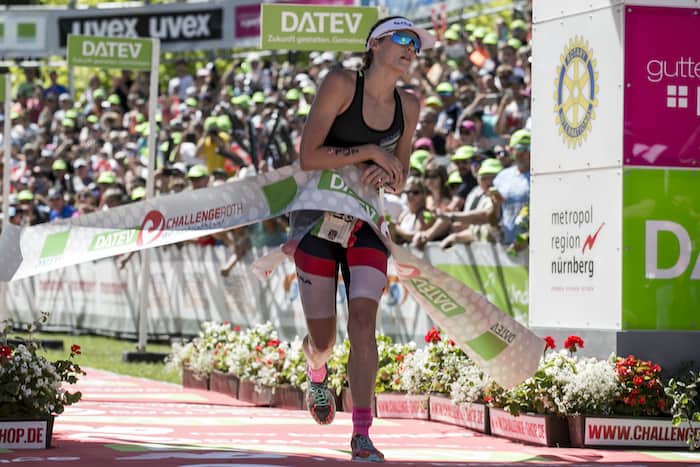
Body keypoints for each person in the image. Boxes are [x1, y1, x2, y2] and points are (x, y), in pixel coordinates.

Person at [293, 15, 433, 462]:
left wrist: (388, 172)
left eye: (417, 43)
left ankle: (361, 433)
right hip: (316, 219)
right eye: (404, 38)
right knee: (326, 339)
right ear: (374, 44)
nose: (413, 48)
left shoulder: (409, 105)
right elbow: (309, 155)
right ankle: (317, 368)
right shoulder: (340, 83)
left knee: (364, 325)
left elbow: (402, 172)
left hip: (366, 225)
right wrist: (370, 151)